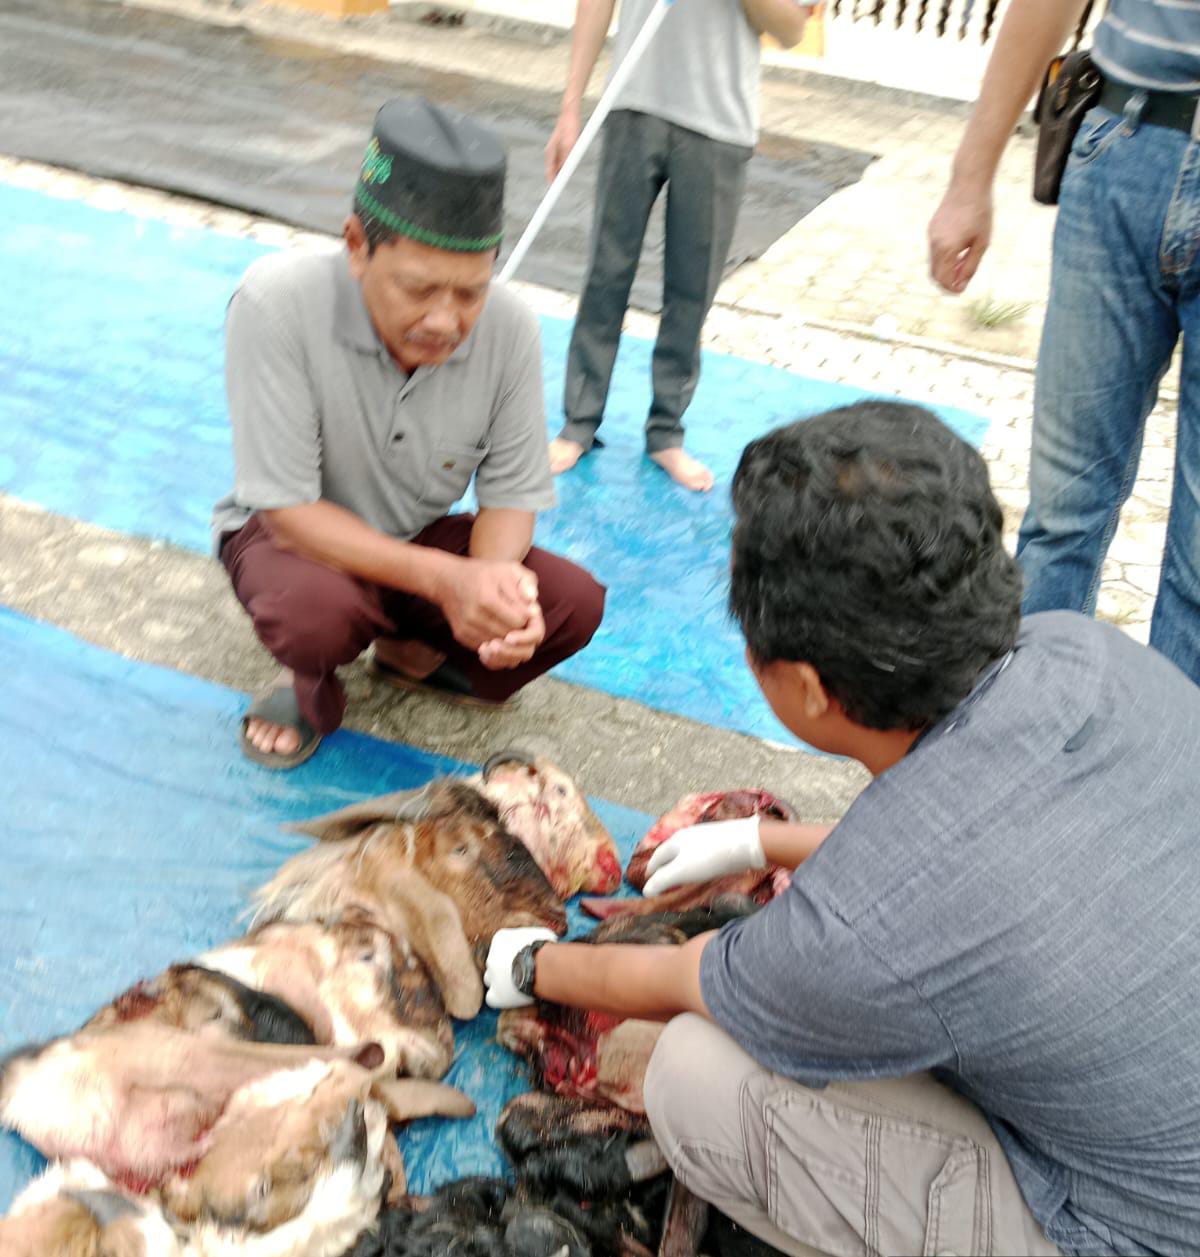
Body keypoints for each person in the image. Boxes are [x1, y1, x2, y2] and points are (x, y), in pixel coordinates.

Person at [484, 400, 1200, 1257]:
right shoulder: (1081, 652)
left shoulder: (866, 926)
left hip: (1140, 1231)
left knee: (692, 1076)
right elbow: (980, 870)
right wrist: (760, 841)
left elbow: (691, 975)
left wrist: (529, 962)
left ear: (809, 688)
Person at [212, 98, 606, 769]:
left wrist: (492, 591)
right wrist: (448, 582)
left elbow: (509, 497)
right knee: (314, 611)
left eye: (470, 292)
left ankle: (401, 652)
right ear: (357, 247)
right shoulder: (275, 302)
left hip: (415, 545)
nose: (446, 320)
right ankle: (307, 674)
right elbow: (287, 510)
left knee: (570, 604)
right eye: (419, 289)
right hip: (296, 543)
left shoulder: (511, 328)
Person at [929, 0, 1200, 686]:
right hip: (1123, 142)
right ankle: (1020, 752)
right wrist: (970, 176)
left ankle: (1170, 782)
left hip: (1126, 150)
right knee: (1061, 516)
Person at [545, 0, 812, 492]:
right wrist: (570, 107)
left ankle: (666, 431)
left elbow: (793, 28)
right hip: (633, 105)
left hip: (719, 124)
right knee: (606, 274)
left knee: (692, 287)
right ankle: (578, 423)